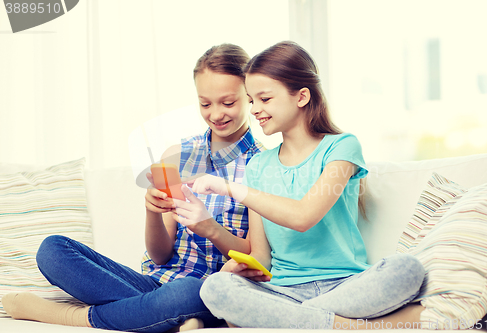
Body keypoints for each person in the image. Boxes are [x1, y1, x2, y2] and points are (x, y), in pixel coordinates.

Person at [1, 43, 264, 332]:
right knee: (52, 250)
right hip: (153, 283)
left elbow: (256, 258)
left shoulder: (263, 167)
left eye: (228, 103)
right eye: (205, 103)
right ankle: (166, 317)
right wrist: (152, 211)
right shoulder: (177, 155)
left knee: (187, 292)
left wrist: (210, 228)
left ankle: (69, 316)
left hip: (211, 291)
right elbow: (160, 256)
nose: (216, 114)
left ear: (250, 98)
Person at [184, 41, 426, 329]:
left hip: (345, 285)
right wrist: (242, 268)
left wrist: (229, 187)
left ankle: (294, 321)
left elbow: (303, 217)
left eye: (265, 99)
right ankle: (351, 326)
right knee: (215, 287)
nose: (256, 110)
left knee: (407, 269)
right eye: (251, 101)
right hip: (283, 290)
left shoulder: (341, 148)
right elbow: (261, 254)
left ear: (301, 97)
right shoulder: (258, 166)